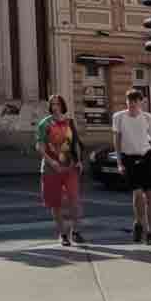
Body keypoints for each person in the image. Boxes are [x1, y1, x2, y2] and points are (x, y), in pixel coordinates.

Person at [112, 89, 151, 244]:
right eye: (129, 101)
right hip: (129, 158)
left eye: (135, 101)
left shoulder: (148, 118)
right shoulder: (119, 117)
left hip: (146, 157)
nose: (132, 104)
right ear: (126, 102)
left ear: (141, 102)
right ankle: (140, 223)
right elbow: (117, 140)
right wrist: (119, 162)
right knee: (138, 193)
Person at [36, 94, 85, 245]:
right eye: (53, 104)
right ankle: (63, 234)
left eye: (58, 104)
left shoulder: (70, 122)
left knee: (74, 200)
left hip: (70, 166)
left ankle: (76, 232)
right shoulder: (45, 124)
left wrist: (78, 161)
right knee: (56, 202)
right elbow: (39, 146)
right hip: (52, 168)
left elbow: (75, 143)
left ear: (62, 105)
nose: (55, 107)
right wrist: (51, 162)